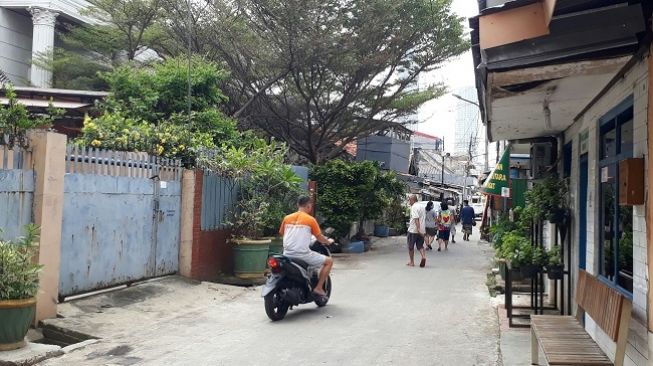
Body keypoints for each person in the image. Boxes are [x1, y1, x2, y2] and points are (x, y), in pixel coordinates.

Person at [279, 196, 335, 301]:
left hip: (286, 254)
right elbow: (319, 237)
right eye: (311, 206)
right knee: (329, 261)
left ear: (297, 205)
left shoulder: (287, 218)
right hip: (302, 255)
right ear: (309, 206)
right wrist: (328, 241)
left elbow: (282, 233)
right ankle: (318, 288)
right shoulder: (310, 220)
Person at [407, 194, 427, 267]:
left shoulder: (414, 207)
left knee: (410, 246)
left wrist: (418, 229)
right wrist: (421, 230)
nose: (409, 202)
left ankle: (412, 262)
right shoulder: (422, 206)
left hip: (413, 230)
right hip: (422, 230)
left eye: (409, 200)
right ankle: (423, 256)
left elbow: (416, 219)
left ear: (413, 200)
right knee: (420, 245)